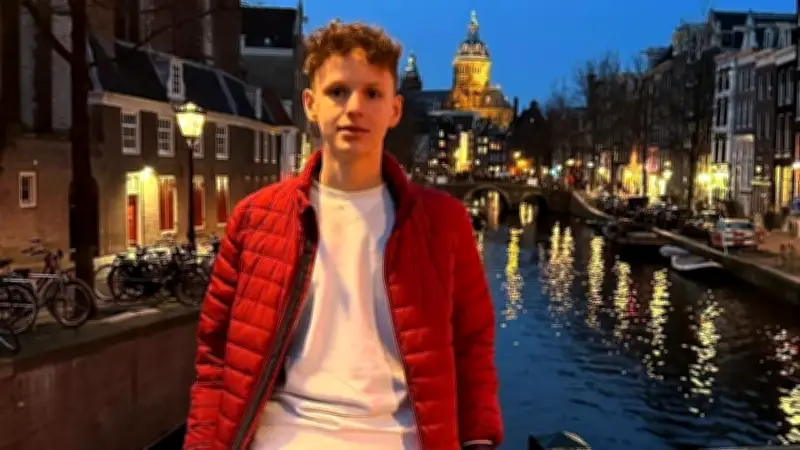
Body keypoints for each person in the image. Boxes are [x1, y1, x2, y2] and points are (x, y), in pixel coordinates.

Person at [183, 20, 502, 450]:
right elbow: (216, 356)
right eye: (337, 91)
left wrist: (478, 441)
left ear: (395, 110)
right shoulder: (254, 218)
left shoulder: (444, 222)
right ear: (311, 104)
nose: (354, 107)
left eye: (372, 93)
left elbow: (472, 343)